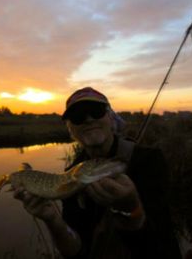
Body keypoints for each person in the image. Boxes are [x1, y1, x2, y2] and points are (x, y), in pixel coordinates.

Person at [13, 87, 182, 258]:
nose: (88, 119)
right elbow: (77, 252)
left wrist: (131, 209)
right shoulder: (71, 175)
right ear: (71, 129)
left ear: (111, 118)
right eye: (78, 116)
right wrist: (52, 219)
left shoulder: (149, 160)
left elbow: (161, 242)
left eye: (96, 111)